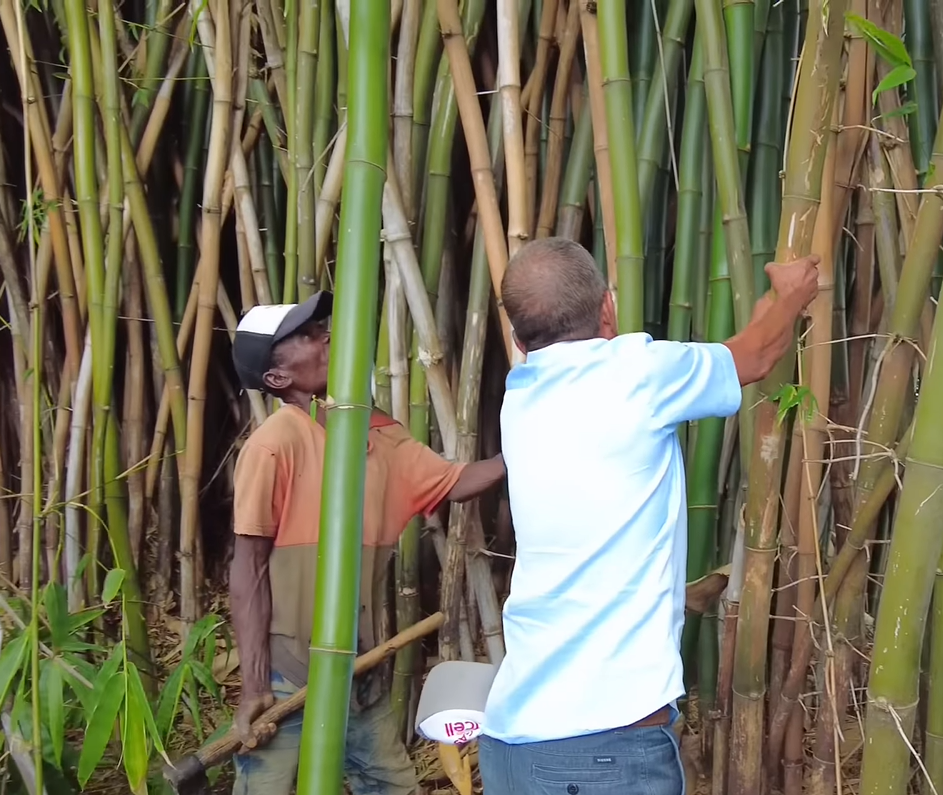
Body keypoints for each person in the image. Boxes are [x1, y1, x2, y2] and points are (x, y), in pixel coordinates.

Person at [479, 238, 820, 795]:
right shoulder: (636, 374)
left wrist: (774, 309)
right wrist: (793, 294)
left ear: (519, 341)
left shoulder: (519, 397)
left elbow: (747, 346)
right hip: (604, 752)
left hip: (510, 749)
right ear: (608, 309)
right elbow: (757, 356)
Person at [226, 291, 506, 795]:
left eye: (321, 328)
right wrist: (255, 685)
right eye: (307, 336)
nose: (327, 337)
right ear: (278, 378)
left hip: (360, 666)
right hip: (289, 674)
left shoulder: (380, 437)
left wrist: (530, 444)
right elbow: (249, 570)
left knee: (392, 784)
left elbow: (456, 481)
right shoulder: (274, 444)